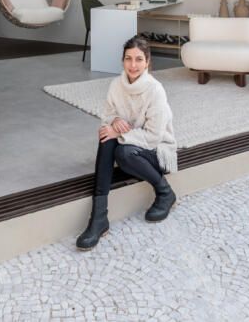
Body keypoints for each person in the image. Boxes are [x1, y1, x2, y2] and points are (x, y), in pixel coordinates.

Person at [76, 35, 178, 250]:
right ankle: (99, 217)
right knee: (106, 136)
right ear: (122, 61)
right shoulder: (116, 85)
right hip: (132, 143)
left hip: (156, 150)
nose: (133, 65)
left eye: (139, 59)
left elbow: (153, 137)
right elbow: (108, 115)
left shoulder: (155, 90)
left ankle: (165, 192)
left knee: (123, 152)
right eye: (128, 59)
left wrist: (119, 133)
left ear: (147, 62)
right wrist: (115, 121)